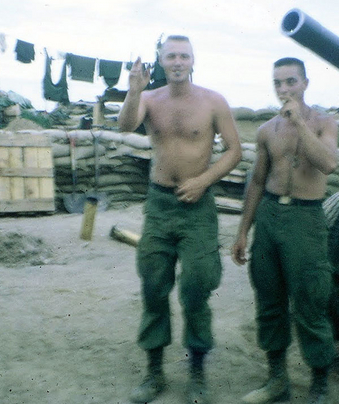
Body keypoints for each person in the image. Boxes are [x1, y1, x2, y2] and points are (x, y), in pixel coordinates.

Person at [118, 35, 242, 404]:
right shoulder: (149, 100)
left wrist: (204, 180)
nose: (177, 61)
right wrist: (133, 90)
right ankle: (154, 373)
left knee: (196, 287)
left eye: (183, 56)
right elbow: (126, 126)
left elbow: (234, 150)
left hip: (197, 208)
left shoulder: (212, 101)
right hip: (159, 206)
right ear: (160, 60)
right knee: (154, 286)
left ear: (193, 60)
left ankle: (197, 371)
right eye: (170, 55)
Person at [232, 57, 338, 404]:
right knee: (269, 299)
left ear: (305, 83)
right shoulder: (266, 131)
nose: (284, 89)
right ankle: (277, 379)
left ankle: (319, 382)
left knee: (310, 300)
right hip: (270, 216)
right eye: (278, 83)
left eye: (291, 82)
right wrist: (242, 231)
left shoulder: (325, 123)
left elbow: (328, 163)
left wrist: (299, 125)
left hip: (306, 219)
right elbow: (258, 181)